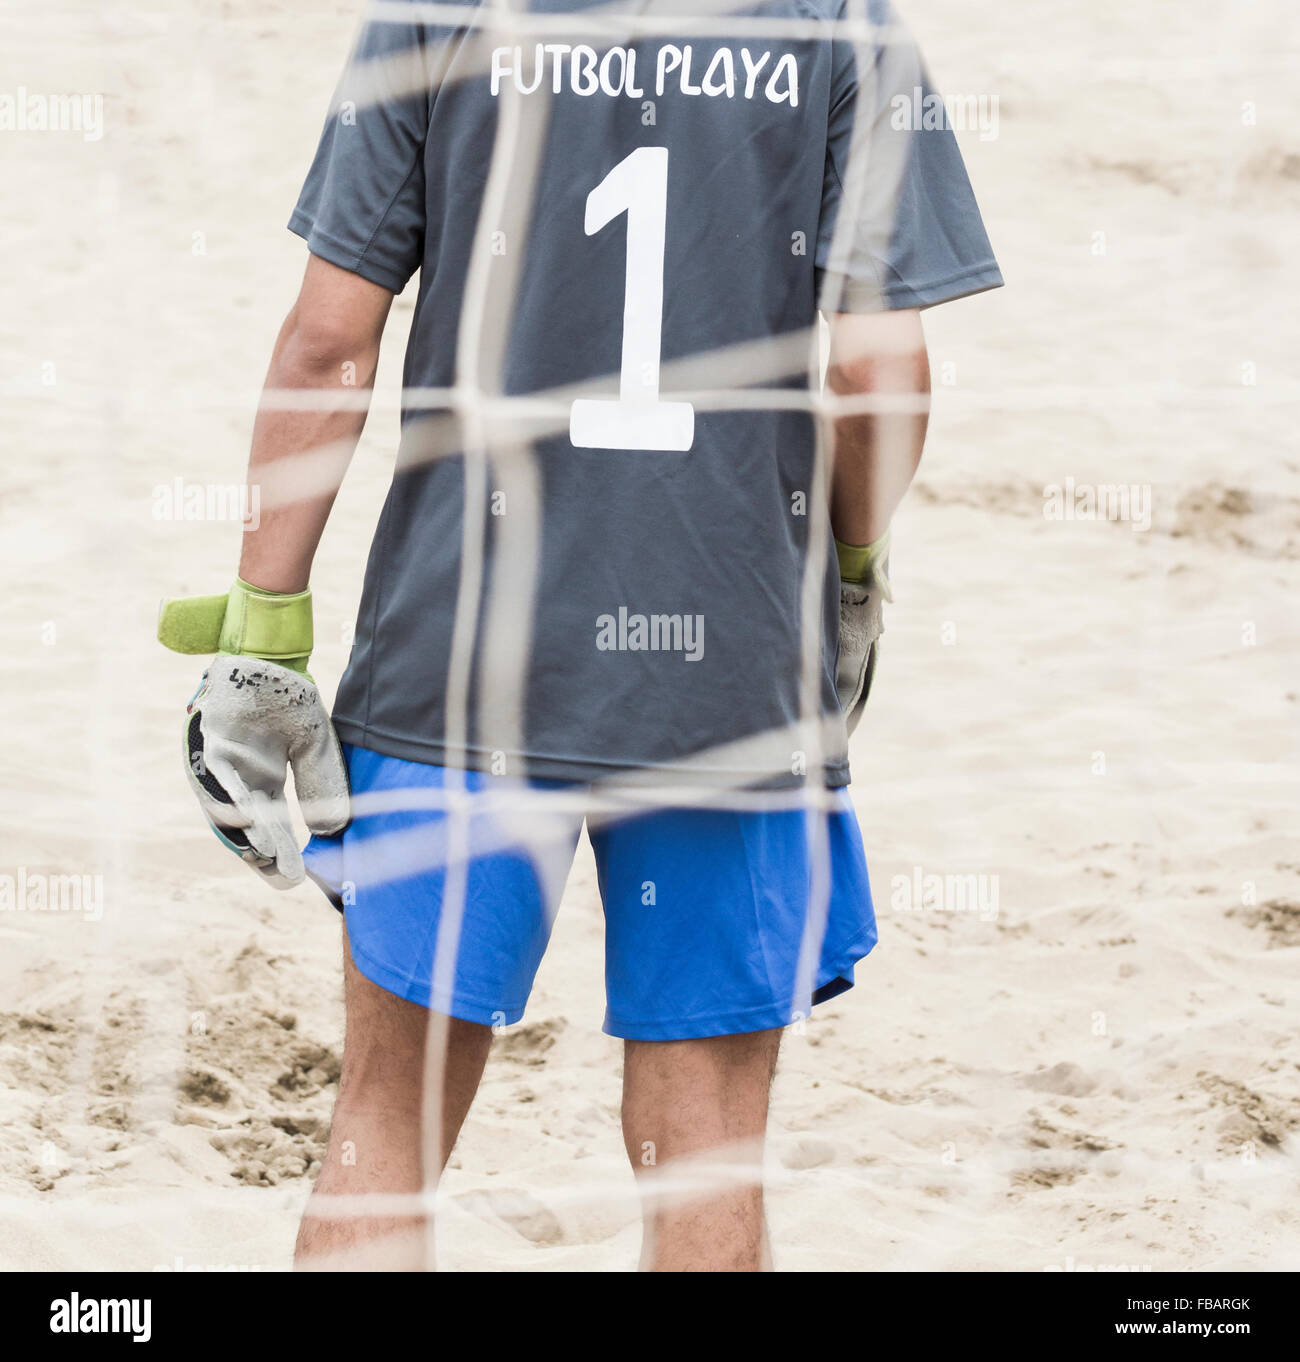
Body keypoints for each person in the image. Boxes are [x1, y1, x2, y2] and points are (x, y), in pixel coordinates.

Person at [159, 0, 1000, 1271]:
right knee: (707, 1144)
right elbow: (881, 374)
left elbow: (331, 341)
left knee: (387, 1130)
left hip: (465, 658)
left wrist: (264, 630)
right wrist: (852, 577)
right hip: (732, 676)